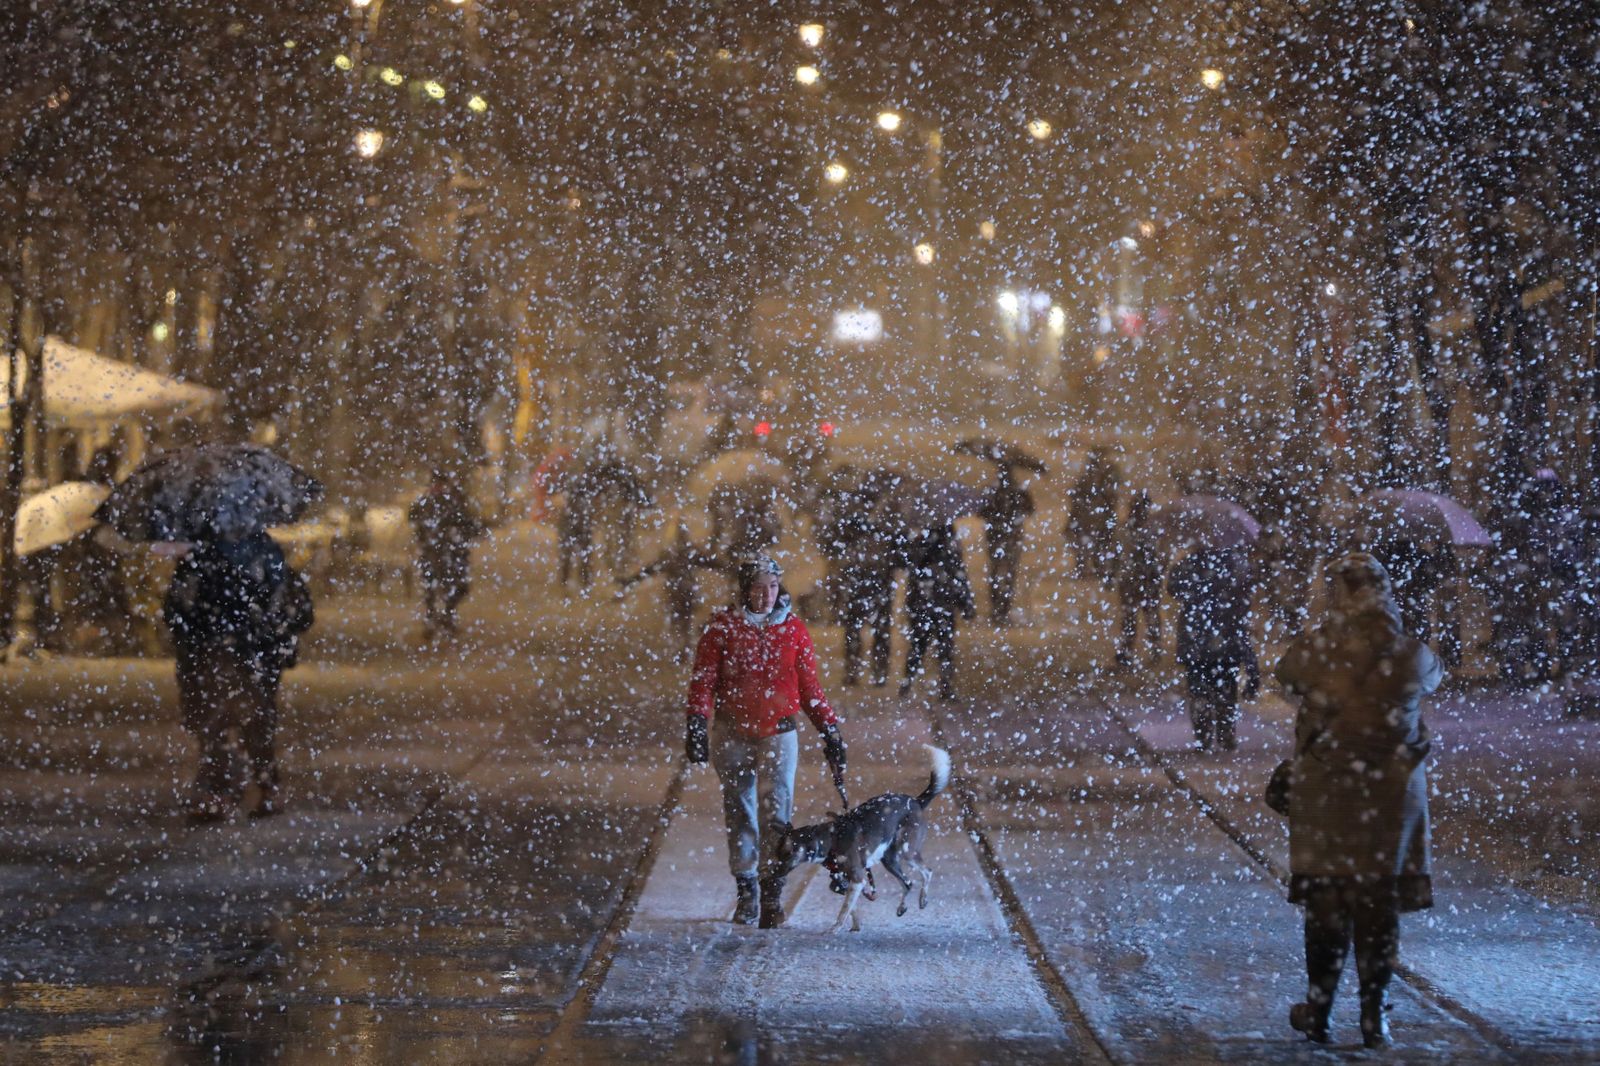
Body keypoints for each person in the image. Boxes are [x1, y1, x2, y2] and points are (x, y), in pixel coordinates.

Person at [1275, 553, 1442, 1048]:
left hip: (1328, 791)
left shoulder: (1318, 651)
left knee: (1327, 902)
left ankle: (1320, 1009)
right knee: (1377, 902)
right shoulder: (1411, 654)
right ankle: (1374, 1015)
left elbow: (1287, 674)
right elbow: (1434, 676)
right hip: (1390, 795)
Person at [684, 555, 847, 928]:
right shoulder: (722, 629)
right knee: (739, 809)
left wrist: (830, 730)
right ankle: (747, 889)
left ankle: (771, 889)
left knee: (777, 814)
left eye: (772, 586)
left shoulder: (793, 630)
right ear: (745, 590)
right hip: (732, 732)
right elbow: (704, 680)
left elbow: (809, 687)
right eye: (758, 588)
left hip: (779, 731)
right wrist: (697, 721)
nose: (766, 595)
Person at [164, 530, 314, 821]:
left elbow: (177, 610)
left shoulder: (200, 557)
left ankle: (220, 791)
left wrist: (197, 634)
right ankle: (264, 788)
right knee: (254, 721)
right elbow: (297, 609)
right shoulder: (267, 553)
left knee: (214, 723)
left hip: (216, 653)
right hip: (254, 653)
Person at [1167, 548, 1254, 751]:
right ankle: (1224, 734)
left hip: (1198, 639)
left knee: (1200, 690)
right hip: (1225, 637)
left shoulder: (1191, 563)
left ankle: (1204, 737)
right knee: (1225, 690)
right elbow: (1244, 597)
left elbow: (1173, 589)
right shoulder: (1235, 564)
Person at [618, 520, 721, 661]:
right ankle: (684, 648)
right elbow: (711, 563)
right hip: (686, 592)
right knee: (685, 621)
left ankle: (681, 648)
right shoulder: (690, 552)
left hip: (676, 592)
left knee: (678, 621)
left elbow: (649, 570)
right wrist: (727, 567)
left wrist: (629, 581)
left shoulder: (669, 555)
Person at [900, 523, 976, 701]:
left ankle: (908, 685)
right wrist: (966, 603)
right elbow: (959, 574)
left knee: (920, 646)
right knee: (941, 647)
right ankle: (943, 686)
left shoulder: (920, 541)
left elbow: (911, 570)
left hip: (925, 602)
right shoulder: (947, 544)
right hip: (941, 601)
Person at [408, 473, 486, 641]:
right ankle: (435, 617)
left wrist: (464, 534)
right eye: (435, 485)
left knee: (455, 585)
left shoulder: (452, 503)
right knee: (432, 585)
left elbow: (467, 524)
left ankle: (446, 616)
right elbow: (414, 521)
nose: (437, 489)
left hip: (450, 551)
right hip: (433, 551)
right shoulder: (425, 503)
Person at [978, 466, 1035, 625]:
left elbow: (981, 512)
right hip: (1012, 538)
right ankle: (1003, 608)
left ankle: (997, 608)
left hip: (995, 537)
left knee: (996, 571)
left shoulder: (992, 491)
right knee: (1009, 572)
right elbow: (1030, 510)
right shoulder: (1019, 491)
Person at [1114, 491, 1163, 670]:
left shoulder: (1128, 529)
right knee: (1145, 616)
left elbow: (1117, 554)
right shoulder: (1152, 529)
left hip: (1136, 578)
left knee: (1136, 616)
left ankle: (1130, 652)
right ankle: (1147, 651)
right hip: (1142, 578)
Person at [1066, 448, 1121, 584]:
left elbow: (1111, 499)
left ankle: (1096, 569)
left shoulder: (1101, 477)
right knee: (1091, 546)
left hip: (1095, 519)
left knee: (1096, 545)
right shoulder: (1089, 480)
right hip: (1091, 519)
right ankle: (1091, 569)